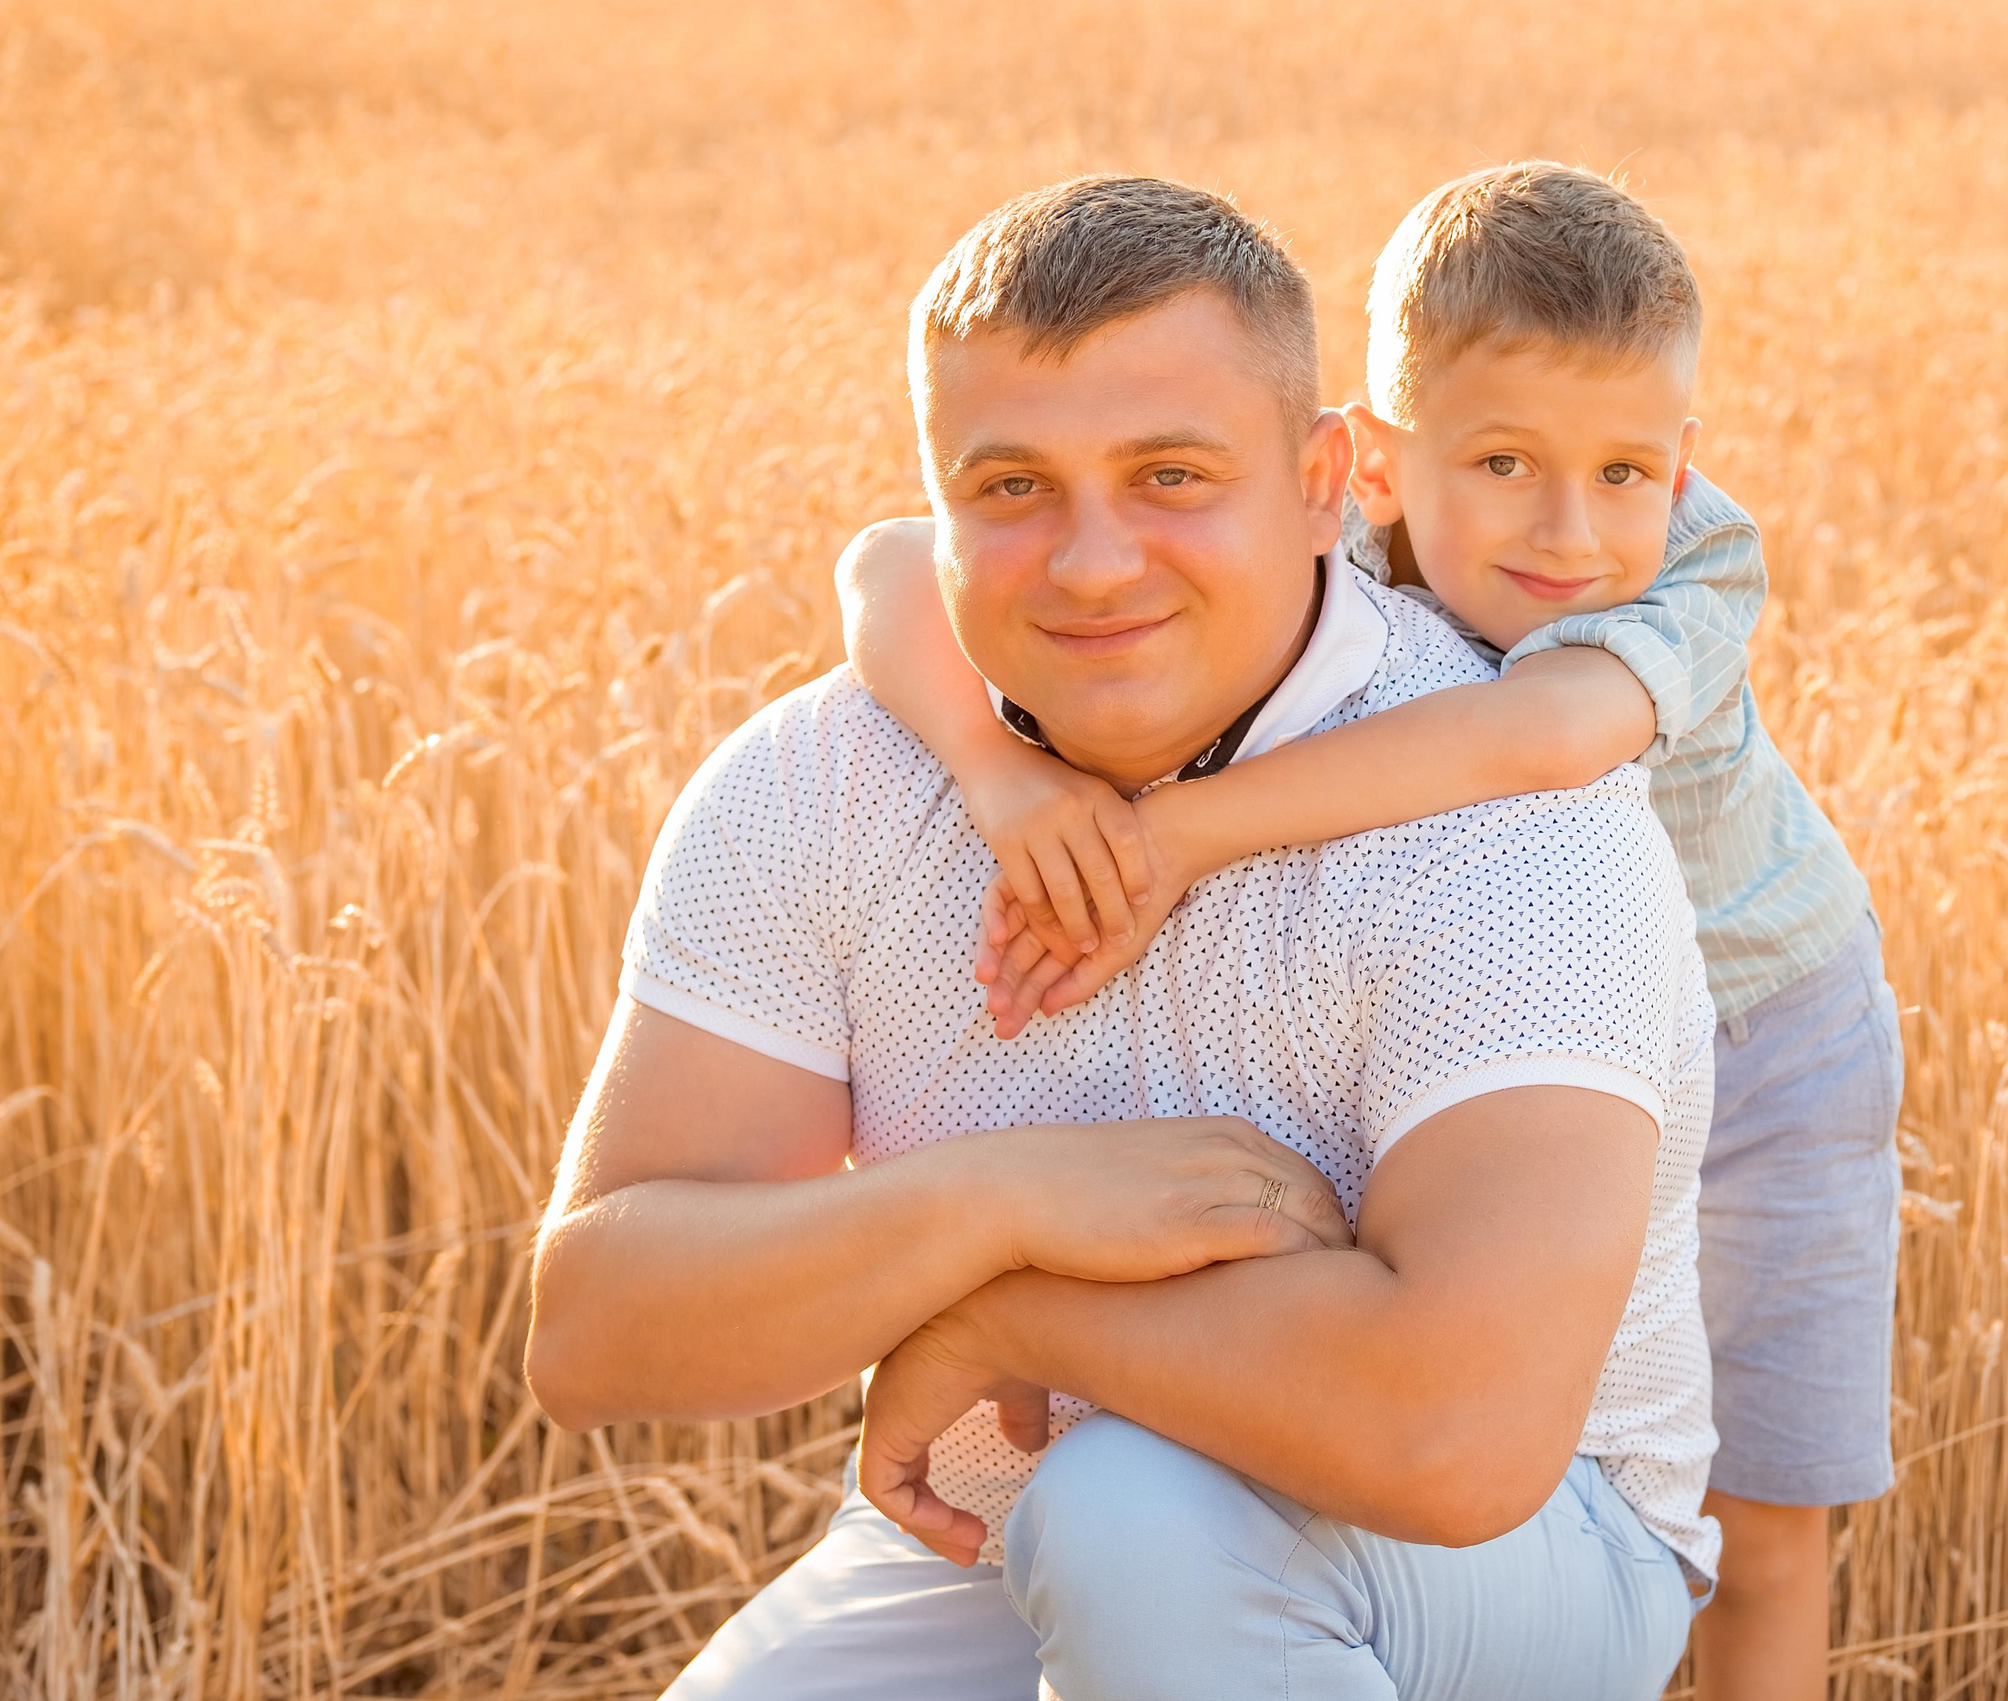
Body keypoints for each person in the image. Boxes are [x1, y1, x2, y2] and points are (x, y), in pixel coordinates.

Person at [527, 172, 1719, 1701]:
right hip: (993, 1520)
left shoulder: (1511, 813)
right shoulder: (827, 776)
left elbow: (1456, 1438)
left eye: (1170, 476)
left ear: (1324, 482)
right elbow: (597, 1332)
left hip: (1520, 1550)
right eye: (1013, 487)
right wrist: (1008, 1199)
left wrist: (1009, 1315)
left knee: (1132, 1518)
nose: (1092, 565)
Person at [846, 162, 1904, 1701]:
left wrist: (1173, 837)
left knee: (1762, 1520)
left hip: (1768, 1036)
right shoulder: (1328, 525)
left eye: (1625, 469)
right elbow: (888, 565)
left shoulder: (1690, 560)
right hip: (1527, 1044)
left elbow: (1539, 734)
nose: (1569, 529)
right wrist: (999, 776)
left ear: (1682, 470)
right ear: (1378, 467)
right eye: (1503, 461)